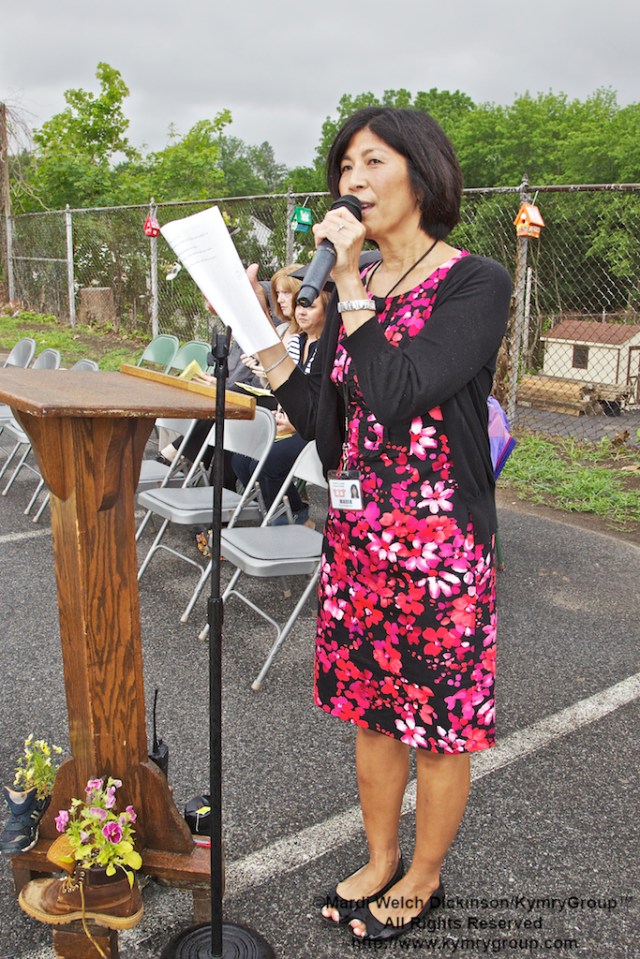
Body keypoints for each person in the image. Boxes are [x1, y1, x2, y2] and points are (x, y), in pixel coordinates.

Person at [248, 107, 512, 943]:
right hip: (362, 538)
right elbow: (328, 426)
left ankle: (424, 875)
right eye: (343, 168)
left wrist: (350, 293)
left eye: (371, 162)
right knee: (371, 711)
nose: (351, 182)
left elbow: (401, 392)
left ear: (421, 171)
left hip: (440, 547)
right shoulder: (352, 294)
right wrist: (281, 353)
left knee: (437, 725)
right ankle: (378, 854)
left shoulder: (475, 282)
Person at [232, 286, 331, 526]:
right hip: (291, 418)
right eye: (299, 306)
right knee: (241, 459)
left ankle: (294, 514)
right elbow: (288, 388)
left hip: (316, 428)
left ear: (328, 312)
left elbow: (324, 402)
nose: (301, 312)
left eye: (310, 306)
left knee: (266, 462)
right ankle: (280, 508)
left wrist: (295, 422)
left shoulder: (330, 349)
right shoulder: (298, 341)